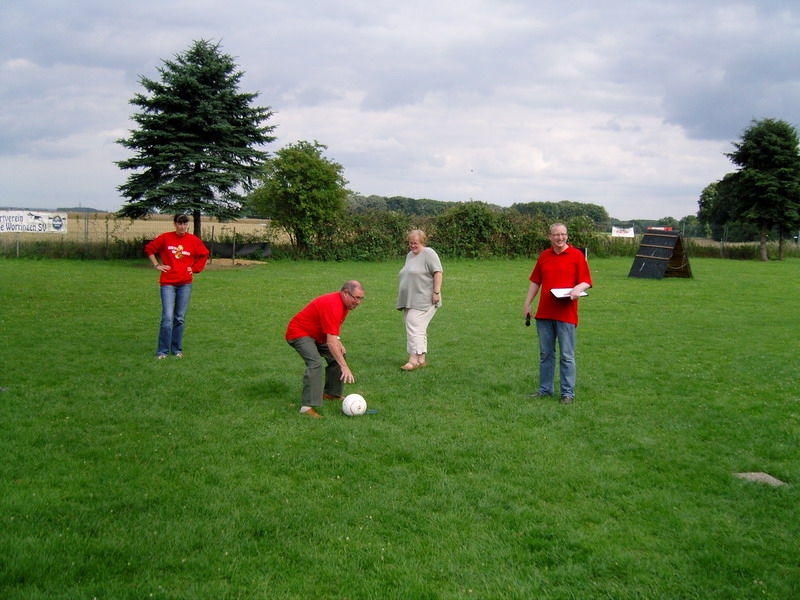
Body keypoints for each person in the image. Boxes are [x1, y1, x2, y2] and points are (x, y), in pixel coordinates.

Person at [523, 223, 592, 404]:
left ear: (567, 236)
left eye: (562, 235)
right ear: (550, 237)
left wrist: (578, 288)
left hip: (566, 314)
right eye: (556, 235)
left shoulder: (577, 256)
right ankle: (545, 390)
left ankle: (567, 393)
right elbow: (535, 282)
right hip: (545, 313)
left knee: (567, 356)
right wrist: (527, 303)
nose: (559, 238)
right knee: (546, 354)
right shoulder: (544, 256)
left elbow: (586, 281)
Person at [286, 281, 364, 418]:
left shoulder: (344, 304)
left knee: (339, 355)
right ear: (345, 292)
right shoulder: (334, 304)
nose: (358, 302)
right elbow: (331, 341)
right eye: (356, 298)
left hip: (317, 335)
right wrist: (344, 367)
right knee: (315, 363)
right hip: (298, 333)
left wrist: (338, 341)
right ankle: (306, 407)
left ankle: (331, 394)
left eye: (361, 298)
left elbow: (332, 329)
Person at [145, 214, 209, 359]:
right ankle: (162, 351)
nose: (182, 226)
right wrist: (157, 265)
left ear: (187, 225)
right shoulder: (166, 238)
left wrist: (195, 269)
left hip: (185, 284)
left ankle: (177, 349)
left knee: (179, 318)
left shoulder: (193, 240)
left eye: (185, 224)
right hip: (167, 283)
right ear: (174, 224)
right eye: (179, 224)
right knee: (167, 317)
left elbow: (204, 254)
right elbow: (149, 249)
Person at [396, 229, 443, 371]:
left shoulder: (429, 253)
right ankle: (421, 359)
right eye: (410, 243)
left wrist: (436, 292)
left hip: (425, 298)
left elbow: (438, 272)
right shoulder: (410, 255)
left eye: (415, 243)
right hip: (410, 298)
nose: (412, 246)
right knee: (419, 328)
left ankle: (413, 360)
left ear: (422, 241)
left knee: (413, 325)